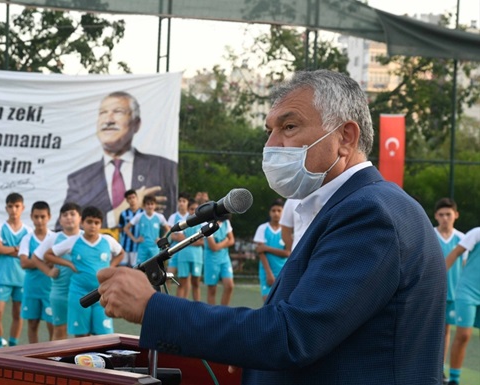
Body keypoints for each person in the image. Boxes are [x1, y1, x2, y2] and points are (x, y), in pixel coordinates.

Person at [95, 70, 446, 384]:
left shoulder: (370, 215)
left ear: (346, 138)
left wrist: (151, 307)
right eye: (269, 131)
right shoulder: (352, 206)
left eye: (289, 127)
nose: (271, 146)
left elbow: (292, 336)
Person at [64, 91, 178, 228]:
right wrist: (117, 214)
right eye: (103, 113)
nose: (108, 120)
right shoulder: (79, 180)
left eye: (118, 112)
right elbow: (65, 229)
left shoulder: (163, 168)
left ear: (136, 123)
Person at [44, 206, 124, 337]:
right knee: (81, 336)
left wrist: (111, 266)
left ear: (101, 224)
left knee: (104, 336)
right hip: (79, 293)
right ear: (82, 223)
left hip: (102, 294)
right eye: (89, 222)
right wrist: (69, 263)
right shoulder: (73, 241)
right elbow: (48, 254)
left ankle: (101, 358)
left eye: (96, 223)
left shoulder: (107, 240)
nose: (93, 226)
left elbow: (121, 253)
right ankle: (84, 358)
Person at [0, 193, 31, 348]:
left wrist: (5, 249)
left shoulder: (28, 231)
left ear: (22, 208)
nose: (14, 210)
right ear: (6, 208)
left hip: (22, 278)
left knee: (18, 314)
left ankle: (13, 347)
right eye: (11, 206)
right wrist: (15, 249)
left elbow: (27, 253)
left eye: (17, 206)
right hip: (2, 278)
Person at [35, 202, 82, 341]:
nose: (69, 217)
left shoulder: (86, 237)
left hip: (82, 292)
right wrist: (48, 272)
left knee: (84, 333)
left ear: (80, 217)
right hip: (60, 292)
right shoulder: (54, 238)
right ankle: (58, 362)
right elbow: (36, 258)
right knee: (60, 330)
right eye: (65, 215)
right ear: (60, 220)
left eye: (72, 214)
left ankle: (82, 362)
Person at [432, 197, 465, 379]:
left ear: (456, 215)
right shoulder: (429, 234)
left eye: (448, 214)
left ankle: (440, 369)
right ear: (436, 216)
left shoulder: (462, 239)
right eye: (441, 214)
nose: (445, 218)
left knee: (445, 332)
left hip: (453, 294)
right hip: (432, 293)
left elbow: (466, 265)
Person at [444, 226, 480, 385]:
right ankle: (454, 380)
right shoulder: (477, 233)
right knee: (463, 335)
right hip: (468, 291)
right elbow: (455, 253)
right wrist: (438, 276)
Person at [18, 201, 56, 344]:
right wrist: (45, 261)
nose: (39, 221)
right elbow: (24, 263)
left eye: (42, 217)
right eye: (36, 217)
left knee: (52, 324)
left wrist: (35, 261)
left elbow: (57, 260)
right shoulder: (27, 238)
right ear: (31, 217)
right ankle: (33, 357)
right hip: (32, 287)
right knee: (32, 324)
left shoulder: (55, 238)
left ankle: (53, 356)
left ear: (49, 217)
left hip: (50, 288)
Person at [253, 199, 288, 302]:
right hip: (266, 271)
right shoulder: (262, 228)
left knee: (282, 303)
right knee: (268, 302)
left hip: (283, 272)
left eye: (279, 210)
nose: (276, 213)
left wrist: (267, 248)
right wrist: (269, 273)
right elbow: (260, 252)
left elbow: (287, 253)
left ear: (283, 212)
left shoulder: (287, 230)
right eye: (273, 210)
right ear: (270, 212)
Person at [123, 195, 170, 265]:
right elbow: (126, 228)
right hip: (142, 248)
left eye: (152, 204)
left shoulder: (159, 217)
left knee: (156, 267)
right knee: (140, 269)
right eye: (148, 204)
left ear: (155, 205)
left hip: (155, 248)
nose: (150, 206)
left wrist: (161, 239)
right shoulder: (139, 216)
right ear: (144, 205)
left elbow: (168, 230)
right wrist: (135, 239)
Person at [174, 199, 204, 301]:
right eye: (191, 209)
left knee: (196, 283)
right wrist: (195, 240)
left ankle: (197, 308)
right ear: (188, 209)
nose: (194, 211)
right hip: (184, 256)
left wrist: (188, 240)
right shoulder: (182, 223)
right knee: (181, 283)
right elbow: (179, 238)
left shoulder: (202, 224)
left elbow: (202, 242)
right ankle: (178, 308)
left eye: (196, 209)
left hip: (197, 257)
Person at [204, 214, 235, 305]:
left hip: (224, 259)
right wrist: (225, 241)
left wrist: (222, 244)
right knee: (212, 289)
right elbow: (213, 247)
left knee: (229, 286)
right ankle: (212, 315)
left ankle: (223, 312)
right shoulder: (208, 225)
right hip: (211, 260)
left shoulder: (226, 223)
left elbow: (232, 240)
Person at [166, 192, 190, 296]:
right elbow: (170, 233)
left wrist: (185, 239)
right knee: (168, 277)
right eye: (180, 201)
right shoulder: (173, 217)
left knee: (184, 280)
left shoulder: (191, 216)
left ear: (187, 203)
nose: (181, 203)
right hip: (174, 250)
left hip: (186, 252)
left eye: (184, 201)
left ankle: (183, 303)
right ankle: (166, 299)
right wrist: (177, 237)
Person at [117, 189, 142, 267]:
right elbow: (120, 229)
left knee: (136, 270)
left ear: (137, 198)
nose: (132, 200)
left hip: (138, 247)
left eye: (133, 197)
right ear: (127, 200)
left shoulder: (143, 213)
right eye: (129, 198)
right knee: (123, 269)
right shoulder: (123, 214)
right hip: (125, 246)